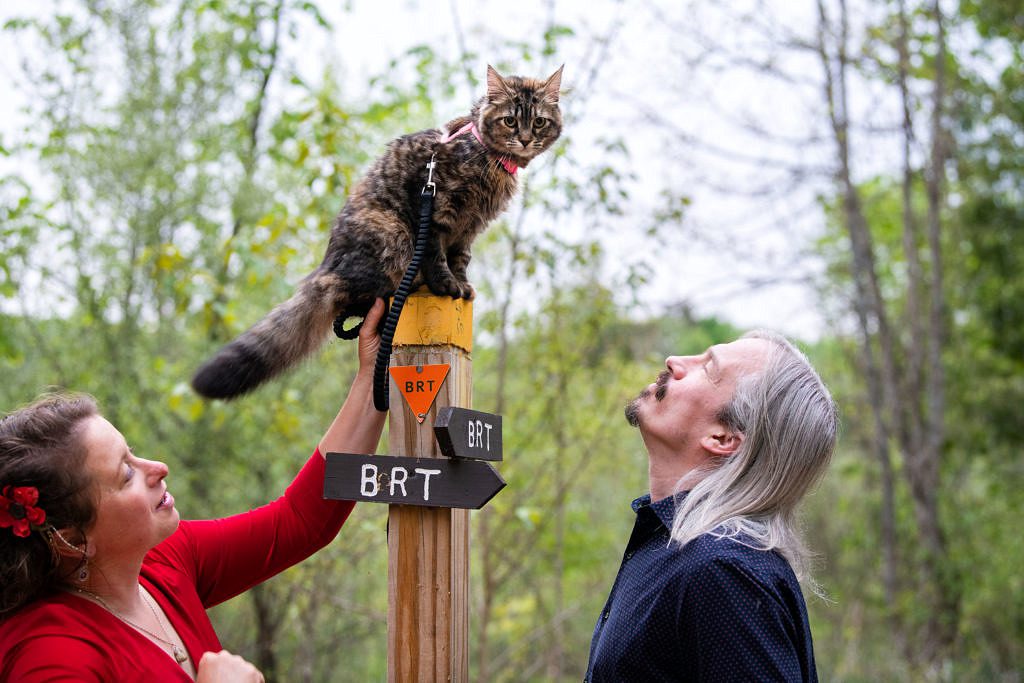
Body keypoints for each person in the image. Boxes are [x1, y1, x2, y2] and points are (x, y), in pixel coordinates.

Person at [0, 299, 388, 682]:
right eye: (126, 474)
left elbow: (299, 521)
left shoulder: (161, 563)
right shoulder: (49, 657)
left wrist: (373, 375)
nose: (157, 468)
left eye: (132, 453)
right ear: (71, 539)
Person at [585, 331, 838, 682]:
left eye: (708, 367)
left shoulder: (724, 572)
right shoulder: (675, 549)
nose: (673, 362)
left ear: (724, 438)